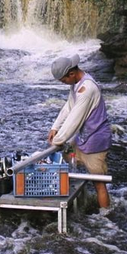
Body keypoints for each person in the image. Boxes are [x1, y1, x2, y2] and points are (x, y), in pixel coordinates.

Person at [47, 54, 113, 209]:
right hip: (81, 139)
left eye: (63, 80)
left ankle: (106, 219)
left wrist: (57, 140)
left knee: (99, 184)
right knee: (62, 155)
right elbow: (69, 106)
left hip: (96, 143)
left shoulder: (87, 89)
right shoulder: (76, 84)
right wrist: (55, 127)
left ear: (71, 73)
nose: (64, 83)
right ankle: (75, 198)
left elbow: (74, 119)